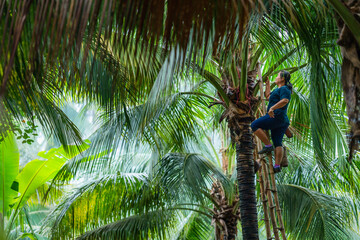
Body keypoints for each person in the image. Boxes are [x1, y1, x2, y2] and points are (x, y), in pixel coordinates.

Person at [251, 71, 293, 173]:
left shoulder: (284, 89)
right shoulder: (278, 89)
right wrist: (268, 84)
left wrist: (272, 108)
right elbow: (268, 97)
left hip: (276, 116)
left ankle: (268, 146)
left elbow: (285, 101)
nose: (276, 77)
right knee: (278, 142)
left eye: (278, 76)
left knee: (254, 125)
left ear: (282, 79)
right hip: (281, 120)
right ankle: (277, 166)